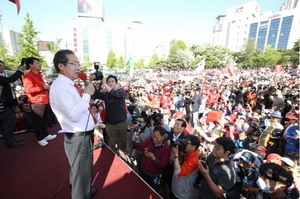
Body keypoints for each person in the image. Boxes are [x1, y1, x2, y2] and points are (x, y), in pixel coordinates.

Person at [49, 49, 97, 199]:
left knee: (82, 170)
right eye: (73, 64)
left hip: (82, 135)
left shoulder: (69, 85)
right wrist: (87, 95)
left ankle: (85, 192)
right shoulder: (60, 87)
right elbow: (74, 115)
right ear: (61, 66)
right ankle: (81, 195)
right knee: (80, 172)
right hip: (78, 137)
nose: (78, 67)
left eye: (78, 64)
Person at [23, 57, 57, 146]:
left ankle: (45, 134)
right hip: (37, 101)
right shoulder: (27, 76)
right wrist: (43, 87)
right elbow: (29, 90)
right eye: (37, 63)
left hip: (45, 100)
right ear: (31, 65)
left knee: (45, 119)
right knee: (38, 121)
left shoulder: (39, 75)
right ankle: (40, 138)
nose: (39, 64)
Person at [95, 75, 127, 158]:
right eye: (108, 81)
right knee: (112, 142)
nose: (110, 83)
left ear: (116, 83)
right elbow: (97, 94)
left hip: (122, 122)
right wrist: (98, 85)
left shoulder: (121, 91)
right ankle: (113, 155)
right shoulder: (106, 94)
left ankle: (122, 153)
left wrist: (105, 85)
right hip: (111, 123)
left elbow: (115, 93)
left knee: (123, 140)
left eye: (112, 81)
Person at [134, 126, 170, 192]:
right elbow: (140, 147)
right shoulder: (150, 139)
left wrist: (153, 158)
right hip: (143, 171)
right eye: (153, 136)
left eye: (157, 137)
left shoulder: (166, 148)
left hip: (154, 175)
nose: (154, 139)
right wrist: (137, 142)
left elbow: (162, 165)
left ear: (163, 137)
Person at [0, 60, 26, 147]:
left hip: (8, 104)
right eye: (0, 66)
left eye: (2, 65)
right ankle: (10, 142)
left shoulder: (2, 77)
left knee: (10, 122)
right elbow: (11, 79)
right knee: (8, 123)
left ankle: (10, 139)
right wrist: (20, 71)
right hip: (3, 105)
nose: (2, 67)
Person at [171, 134, 200, 199]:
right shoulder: (185, 153)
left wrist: (176, 155)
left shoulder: (194, 161)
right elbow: (173, 160)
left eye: (186, 143)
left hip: (182, 195)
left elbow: (178, 172)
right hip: (176, 189)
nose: (183, 144)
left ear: (194, 147)